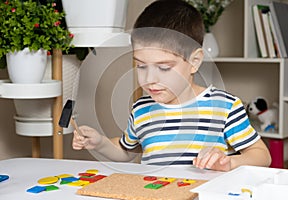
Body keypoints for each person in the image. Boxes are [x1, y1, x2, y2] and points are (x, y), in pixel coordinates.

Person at [72, 0, 271, 172]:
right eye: (141, 66)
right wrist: (100, 143)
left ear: (194, 61)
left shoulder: (225, 107)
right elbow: (126, 151)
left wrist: (229, 162)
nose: (149, 79)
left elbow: (261, 155)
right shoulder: (141, 109)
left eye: (164, 68)